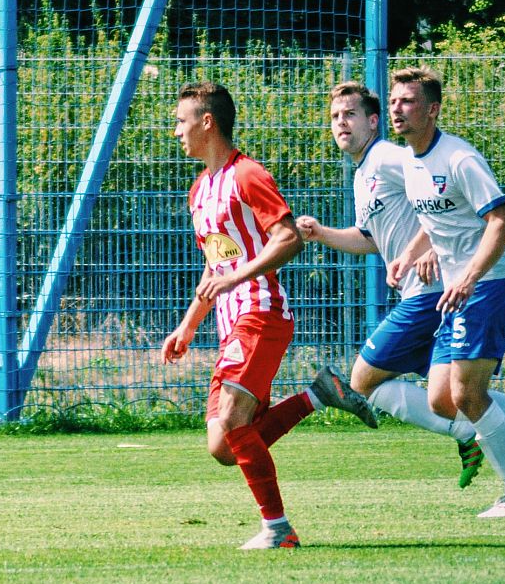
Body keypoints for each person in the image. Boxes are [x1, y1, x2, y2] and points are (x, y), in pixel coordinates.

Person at [296, 81, 505, 492]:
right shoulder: (364, 174)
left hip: (433, 291)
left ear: (373, 122)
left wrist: (430, 250)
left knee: (364, 379)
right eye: (335, 116)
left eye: (350, 114)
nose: (341, 123)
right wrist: (321, 233)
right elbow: (371, 239)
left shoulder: (389, 156)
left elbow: (440, 192)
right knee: (454, 397)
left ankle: (479, 443)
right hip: (433, 292)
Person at [158, 81, 378, 551]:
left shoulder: (247, 175)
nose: (176, 130)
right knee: (222, 446)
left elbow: (288, 238)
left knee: (233, 421)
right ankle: (319, 394)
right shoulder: (199, 190)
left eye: (180, 121)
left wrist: (235, 279)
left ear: (207, 122)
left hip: (260, 313)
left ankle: (278, 529)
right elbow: (216, 265)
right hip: (230, 323)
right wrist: (189, 324)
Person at [384, 68, 505, 519]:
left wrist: (468, 277)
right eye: (394, 101)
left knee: (467, 394)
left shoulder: (459, 158)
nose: (396, 109)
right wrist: (408, 255)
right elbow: (435, 220)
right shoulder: (411, 162)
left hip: (490, 284)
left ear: (432, 110)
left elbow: (500, 223)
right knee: (442, 399)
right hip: (458, 290)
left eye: (407, 101)